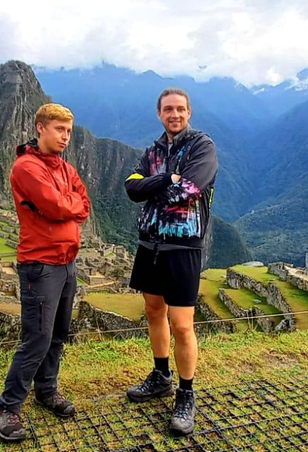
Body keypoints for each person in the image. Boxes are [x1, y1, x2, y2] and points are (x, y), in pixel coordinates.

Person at [0, 103, 91, 442]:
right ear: (40, 128)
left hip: (66, 262)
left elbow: (83, 204)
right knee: (37, 338)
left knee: (59, 334)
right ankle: (7, 407)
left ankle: (47, 390)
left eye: (68, 131)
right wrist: (67, 206)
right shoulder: (26, 167)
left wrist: (68, 206)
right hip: (40, 264)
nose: (65, 137)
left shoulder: (64, 168)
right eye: (59, 129)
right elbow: (57, 205)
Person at [124, 88, 218, 436]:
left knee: (181, 322)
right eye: (168, 109)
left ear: (189, 111)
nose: (174, 114)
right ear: (159, 113)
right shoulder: (152, 151)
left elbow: (188, 192)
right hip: (151, 243)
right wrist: (167, 178)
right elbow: (131, 188)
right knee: (153, 310)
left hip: (183, 245)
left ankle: (186, 393)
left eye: (180, 109)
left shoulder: (202, 147)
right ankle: (161, 376)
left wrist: (156, 186)